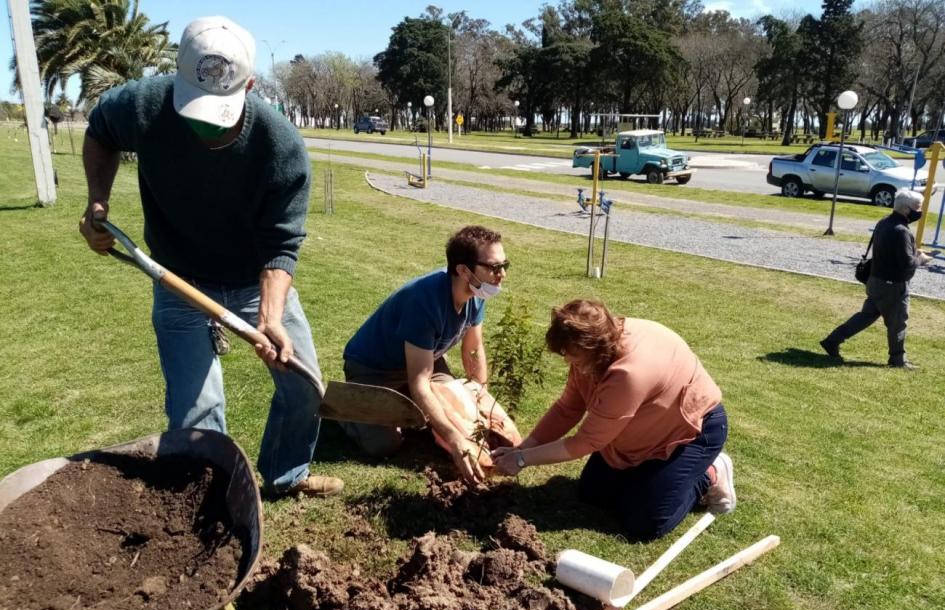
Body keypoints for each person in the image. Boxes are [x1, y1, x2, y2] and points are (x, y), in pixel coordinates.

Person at [78, 16, 342, 498]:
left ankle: (286, 476)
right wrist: (98, 202)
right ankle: (214, 501)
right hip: (177, 278)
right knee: (197, 409)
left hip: (249, 281)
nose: (202, 126)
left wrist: (270, 315)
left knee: (305, 385)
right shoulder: (145, 104)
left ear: (252, 85)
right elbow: (100, 130)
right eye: (194, 107)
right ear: (175, 76)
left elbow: (281, 245)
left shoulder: (279, 145)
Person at [492, 299, 735, 542]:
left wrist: (523, 460)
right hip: (641, 431)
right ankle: (651, 478)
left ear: (595, 347)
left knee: (645, 522)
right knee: (593, 493)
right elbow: (568, 408)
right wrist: (522, 448)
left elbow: (585, 443)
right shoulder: (592, 350)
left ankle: (711, 473)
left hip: (692, 432)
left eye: (573, 356)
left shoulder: (629, 374)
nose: (568, 362)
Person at [342, 226, 508, 486]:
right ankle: (349, 409)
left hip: (427, 358)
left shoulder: (477, 293)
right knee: (384, 444)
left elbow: (473, 349)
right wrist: (455, 441)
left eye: (504, 265)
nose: (502, 275)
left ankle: (409, 405)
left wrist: (481, 398)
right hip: (374, 368)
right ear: (463, 270)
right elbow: (420, 382)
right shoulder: (424, 300)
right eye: (494, 267)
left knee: (458, 412)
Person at [820, 189, 933, 369]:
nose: (920, 212)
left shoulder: (883, 223)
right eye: (917, 208)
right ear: (905, 210)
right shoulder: (902, 231)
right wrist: (921, 258)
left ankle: (832, 340)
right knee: (898, 322)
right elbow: (907, 264)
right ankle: (898, 360)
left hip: (876, 281)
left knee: (866, 316)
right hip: (893, 286)